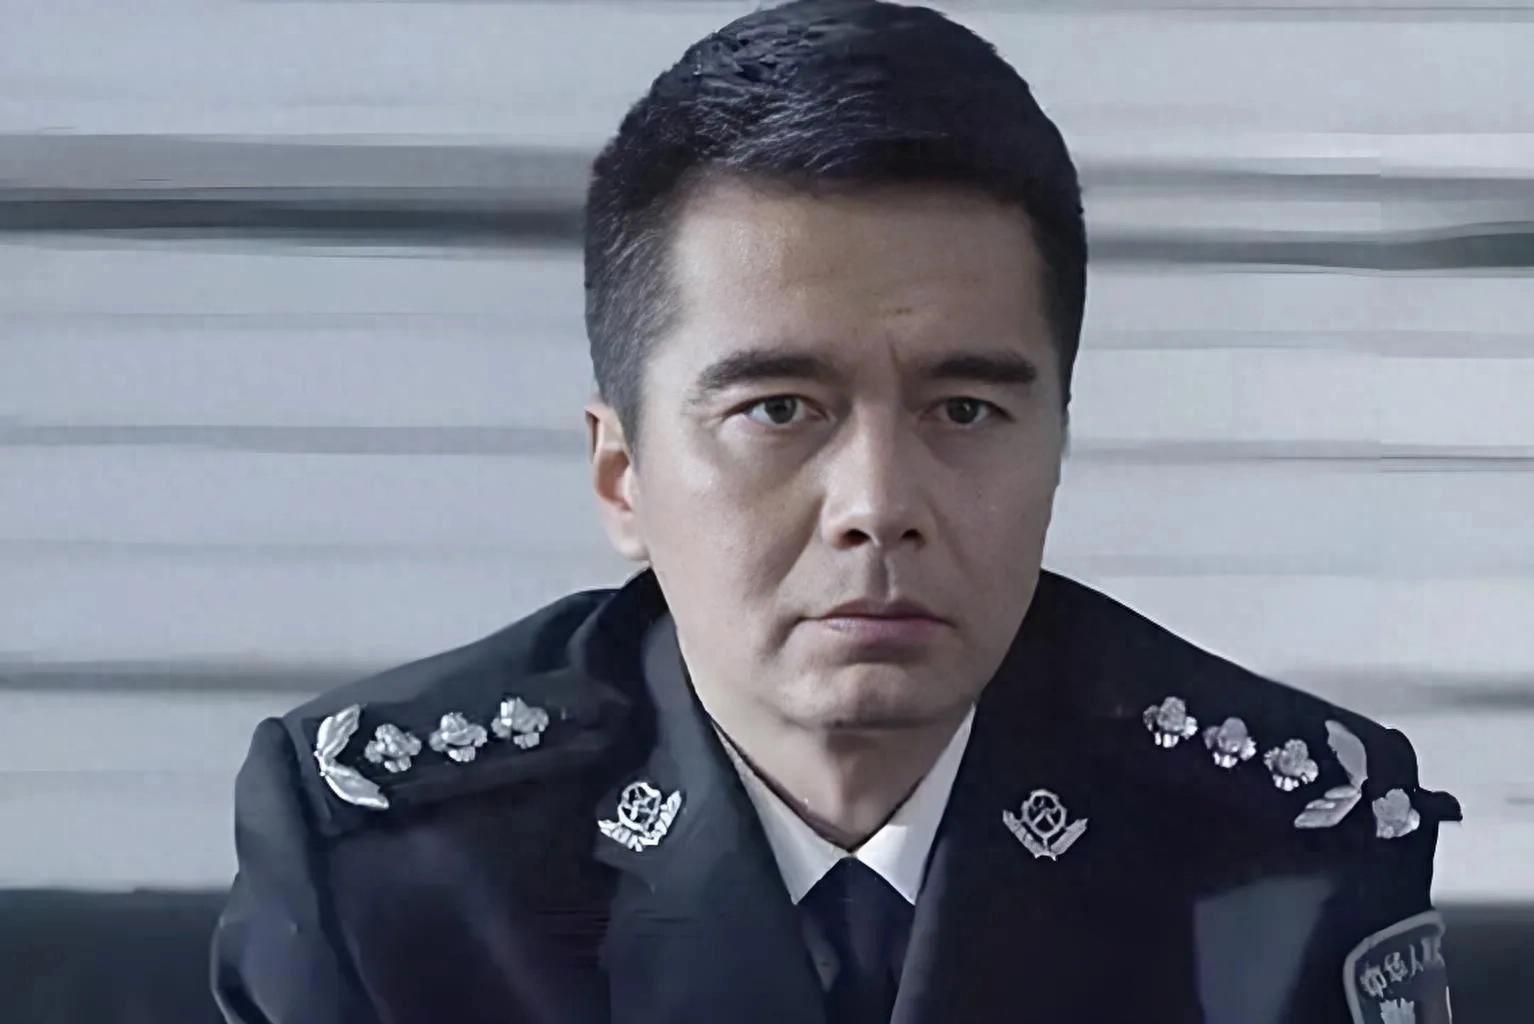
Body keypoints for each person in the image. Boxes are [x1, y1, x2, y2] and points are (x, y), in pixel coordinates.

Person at [209, 2, 1462, 1022]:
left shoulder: (1282, 847)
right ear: (621, 476)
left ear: (1058, 446)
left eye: (964, 410)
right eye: (778, 409)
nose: (877, 506)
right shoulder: (398, 870)